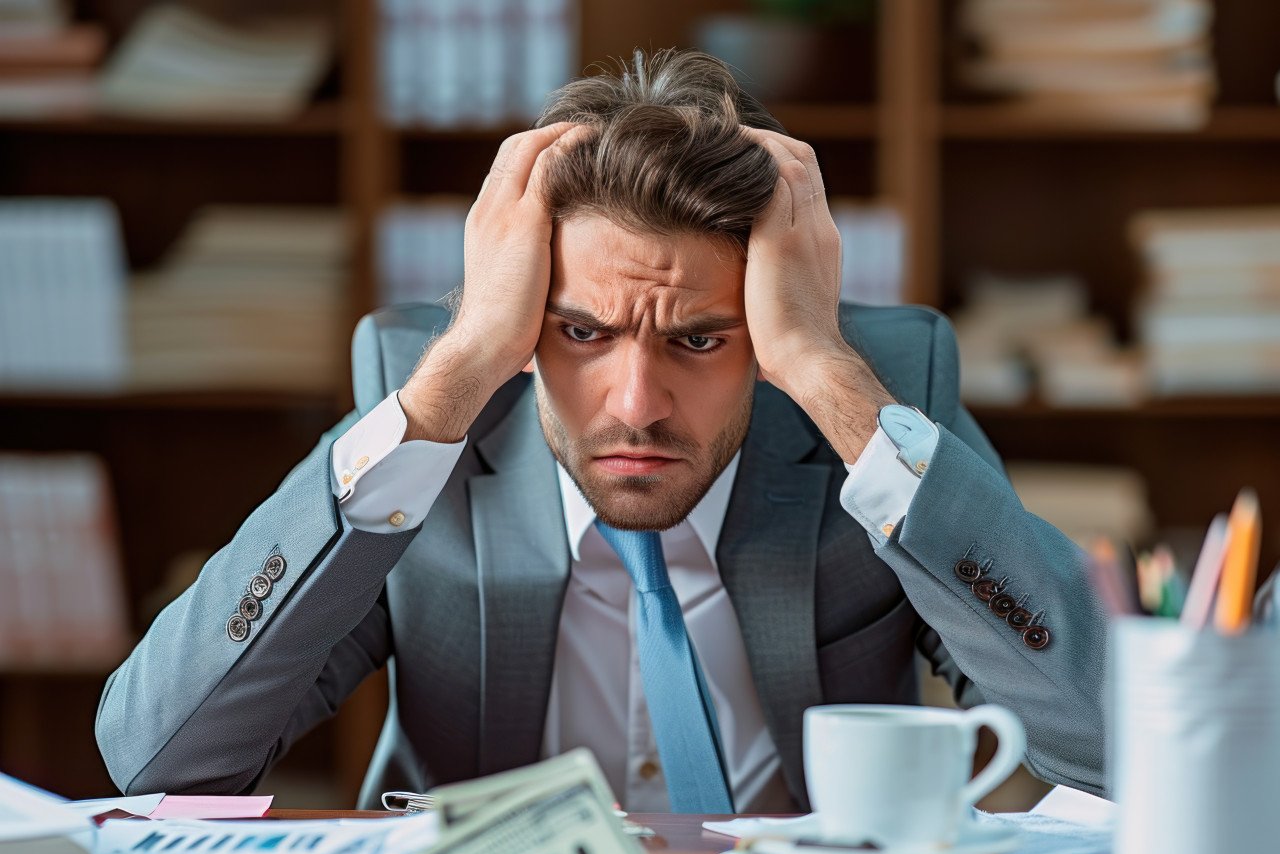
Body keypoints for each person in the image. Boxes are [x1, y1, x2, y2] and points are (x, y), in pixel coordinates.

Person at [97, 50, 1106, 813]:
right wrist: (453, 377)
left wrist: (823, 371)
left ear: (761, 330)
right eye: (580, 330)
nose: (634, 403)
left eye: (699, 339)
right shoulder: (431, 417)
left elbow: (1105, 748)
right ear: (524, 319)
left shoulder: (872, 407)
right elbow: (158, 758)